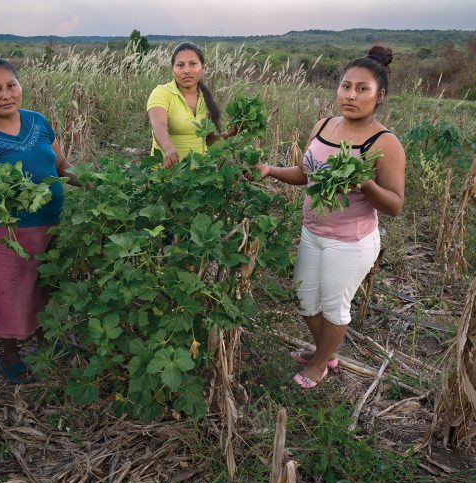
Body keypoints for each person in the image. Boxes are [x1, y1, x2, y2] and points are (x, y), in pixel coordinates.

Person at [256, 46, 406, 389]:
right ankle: (327, 350)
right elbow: (305, 173)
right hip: (313, 231)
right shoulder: (324, 125)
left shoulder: (385, 142)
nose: (351, 95)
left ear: (379, 96)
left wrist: (365, 182)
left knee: (334, 307)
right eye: (346, 86)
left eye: (362, 89)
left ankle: (321, 361)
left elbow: (395, 205)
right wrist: (269, 170)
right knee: (305, 298)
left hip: (351, 241)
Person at [0, 58, 76, 384]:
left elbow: (62, 166)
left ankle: (46, 342)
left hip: (52, 224)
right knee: (7, 292)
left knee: (47, 285)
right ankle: (10, 354)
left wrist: (91, 181)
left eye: (11, 86)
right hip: (5, 233)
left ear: (20, 87)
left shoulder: (39, 122)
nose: (5, 94)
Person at [147, 42, 230, 168]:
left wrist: (228, 134)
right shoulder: (162, 93)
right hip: (167, 177)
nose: (187, 70)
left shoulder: (206, 97)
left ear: (203, 68)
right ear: (172, 70)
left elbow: (207, 140)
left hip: (199, 177)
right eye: (180, 65)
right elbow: (159, 125)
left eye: (193, 64)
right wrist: (169, 149)